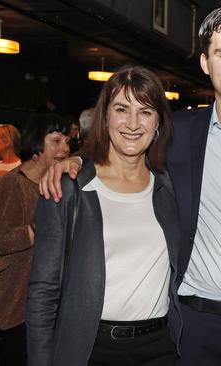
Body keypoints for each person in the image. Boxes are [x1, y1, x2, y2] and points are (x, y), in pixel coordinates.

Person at [40, 3, 221, 365]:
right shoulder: (177, 134)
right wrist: (78, 161)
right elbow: (125, 145)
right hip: (188, 330)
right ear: (206, 64)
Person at [27, 66, 181, 365]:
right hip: (89, 349)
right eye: (122, 109)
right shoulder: (68, 187)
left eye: (146, 111)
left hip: (160, 348)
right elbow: (43, 293)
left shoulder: (169, 186)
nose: (133, 123)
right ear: (105, 116)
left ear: (158, 121)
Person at [0, 113, 70, 366]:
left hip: (45, 292)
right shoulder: (13, 185)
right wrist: (42, 225)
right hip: (17, 295)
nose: (65, 148)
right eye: (56, 141)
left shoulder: (59, 181)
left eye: (67, 140)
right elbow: (3, 241)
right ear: (36, 146)